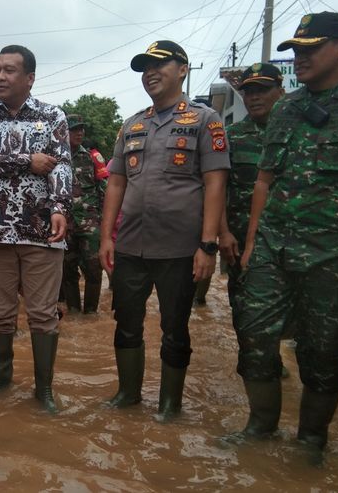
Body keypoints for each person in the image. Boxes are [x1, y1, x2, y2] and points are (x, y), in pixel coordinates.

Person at [235, 13, 338, 464]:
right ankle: (260, 426)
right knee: (252, 333)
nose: (300, 57)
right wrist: (251, 244)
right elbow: (264, 181)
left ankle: (311, 440)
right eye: (296, 49)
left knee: (323, 349)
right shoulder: (287, 109)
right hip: (274, 245)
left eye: (311, 47)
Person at [99, 40, 229, 422]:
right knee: (126, 323)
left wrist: (208, 245)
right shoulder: (132, 124)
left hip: (179, 249)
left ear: (183, 69)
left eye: (159, 65)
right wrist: (107, 237)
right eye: (144, 68)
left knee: (175, 327)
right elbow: (116, 184)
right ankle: (128, 395)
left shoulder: (206, 121)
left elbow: (215, 183)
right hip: (131, 248)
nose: (150, 73)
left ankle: (170, 404)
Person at [0, 44, 72, 414]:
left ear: (29, 78)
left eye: (9, 70)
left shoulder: (52, 116)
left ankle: (44, 390)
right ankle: (2, 379)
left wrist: (60, 208)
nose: (0, 76)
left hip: (42, 230)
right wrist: (28, 160)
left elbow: (61, 166)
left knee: (42, 313)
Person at [218, 64, 289, 437]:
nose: (254, 96)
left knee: (316, 337)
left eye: (262, 89)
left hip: (303, 246)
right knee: (247, 322)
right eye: (248, 91)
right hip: (244, 249)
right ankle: (262, 418)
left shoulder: (298, 129)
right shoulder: (231, 137)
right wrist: (223, 233)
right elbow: (218, 191)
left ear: (280, 89)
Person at [61, 114, 106, 314]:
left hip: (90, 223)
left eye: (81, 129)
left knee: (94, 269)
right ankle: (73, 311)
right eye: (74, 129)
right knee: (68, 271)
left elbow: (104, 189)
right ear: (64, 132)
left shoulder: (92, 157)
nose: (80, 133)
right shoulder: (55, 158)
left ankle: (90, 314)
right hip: (65, 224)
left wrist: (105, 221)